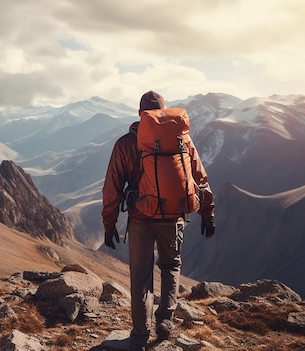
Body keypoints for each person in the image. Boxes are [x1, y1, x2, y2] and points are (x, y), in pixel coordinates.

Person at [101, 90, 215, 351]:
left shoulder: (126, 143)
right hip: (173, 217)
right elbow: (201, 179)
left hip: (141, 220)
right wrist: (208, 216)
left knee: (141, 277)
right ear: (163, 112)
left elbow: (112, 189)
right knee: (171, 266)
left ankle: (140, 337)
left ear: (140, 113)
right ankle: (165, 321)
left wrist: (109, 225)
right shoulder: (181, 139)